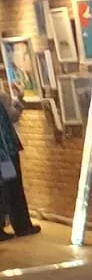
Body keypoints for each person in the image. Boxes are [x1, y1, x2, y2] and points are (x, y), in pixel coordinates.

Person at [0, 90, 40, 240]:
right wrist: (19, 99)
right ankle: (22, 226)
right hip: (5, 154)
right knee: (12, 188)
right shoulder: (2, 97)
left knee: (5, 189)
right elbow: (13, 116)